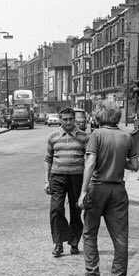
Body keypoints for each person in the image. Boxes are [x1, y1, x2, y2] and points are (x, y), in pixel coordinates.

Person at [77, 100, 139, 276]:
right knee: (120, 238)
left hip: (98, 188)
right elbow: (135, 166)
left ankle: (92, 275)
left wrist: (82, 192)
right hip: (119, 190)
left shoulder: (96, 135)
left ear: (99, 116)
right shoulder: (127, 137)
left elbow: (90, 163)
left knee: (89, 233)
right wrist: (120, 161)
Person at [44, 107, 89, 258]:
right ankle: (58, 243)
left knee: (76, 210)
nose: (68, 122)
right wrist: (46, 180)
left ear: (74, 119)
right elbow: (48, 159)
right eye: (65, 119)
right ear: (60, 120)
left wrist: (88, 184)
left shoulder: (84, 137)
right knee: (56, 210)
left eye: (71, 119)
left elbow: (90, 160)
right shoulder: (53, 137)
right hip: (57, 177)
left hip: (77, 177)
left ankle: (74, 242)